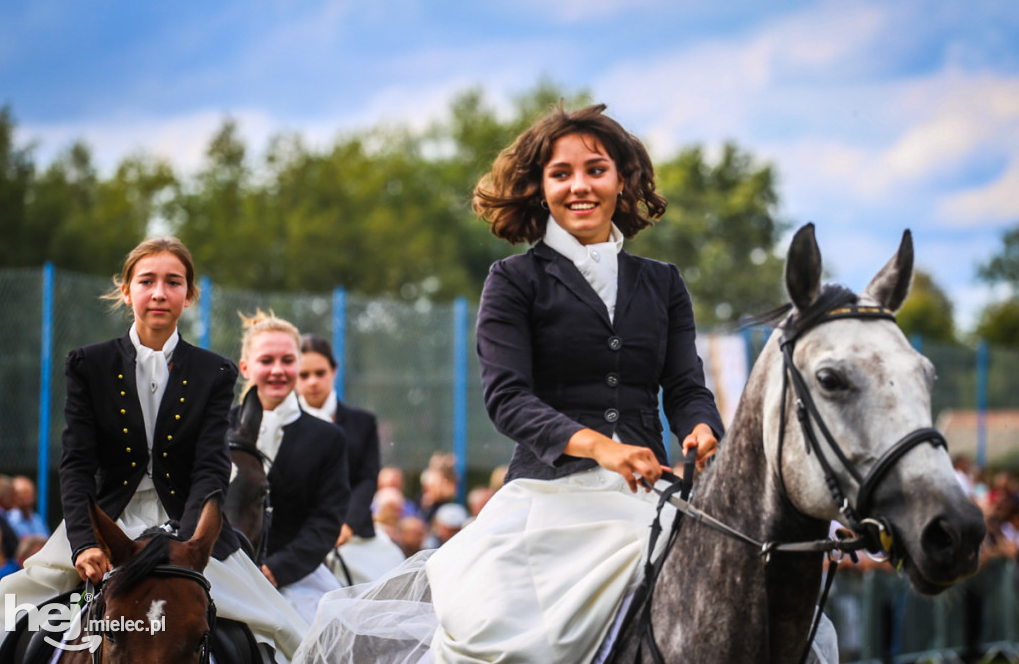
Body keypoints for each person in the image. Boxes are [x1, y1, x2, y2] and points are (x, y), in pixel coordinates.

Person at [423, 103, 725, 663]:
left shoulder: (664, 283)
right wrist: (602, 449)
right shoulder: (512, 280)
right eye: (561, 173)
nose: (579, 186)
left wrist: (705, 429)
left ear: (622, 181)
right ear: (540, 188)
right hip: (545, 499)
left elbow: (685, 387)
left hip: (650, 501)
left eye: (596, 169)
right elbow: (508, 399)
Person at [0, 237, 306, 662]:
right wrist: (85, 543)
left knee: (289, 634)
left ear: (189, 295)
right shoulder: (88, 364)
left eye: (173, 282)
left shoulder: (215, 372)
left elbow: (211, 468)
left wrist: (191, 542)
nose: (159, 292)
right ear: (127, 291)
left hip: (190, 529)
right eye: (147, 281)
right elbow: (77, 464)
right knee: (6, 614)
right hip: (105, 523)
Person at [232, 312, 351, 623]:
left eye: (287, 360)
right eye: (266, 360)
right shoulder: (217, 427)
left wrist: (277, 569)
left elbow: (326, 520)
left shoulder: (328, 438)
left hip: (296, 580)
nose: (277, 371)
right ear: (245, 367)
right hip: (221, 573)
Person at [295, 334, 404, 585]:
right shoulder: (283, 422)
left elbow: (366, 479)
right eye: (304, 374)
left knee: (390, 578)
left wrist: (347, 525)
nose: (312, 382)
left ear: (334, 370)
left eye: (320, 373)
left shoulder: (362, 423)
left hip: (354, 535)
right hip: (298, 537)